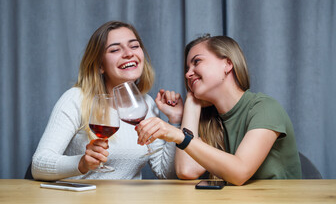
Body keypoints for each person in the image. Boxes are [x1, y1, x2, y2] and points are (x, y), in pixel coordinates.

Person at [136, 35, 302, 185]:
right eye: (187, 69)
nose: (188, 74)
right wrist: (191, 104)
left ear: (228, 64)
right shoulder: (210, 120)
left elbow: (240, 172)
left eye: (197, 62)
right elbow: (186, 170)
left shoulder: (265, 108)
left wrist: (179, 136)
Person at [32, 21, 183, 181]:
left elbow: (165, 172)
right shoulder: (76, 99)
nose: (128, 53)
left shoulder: (147, 103)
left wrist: (175, 121)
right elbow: (39, 165)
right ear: (99, 65)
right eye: (115, 49)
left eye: (134, 46)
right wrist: (82, 163)